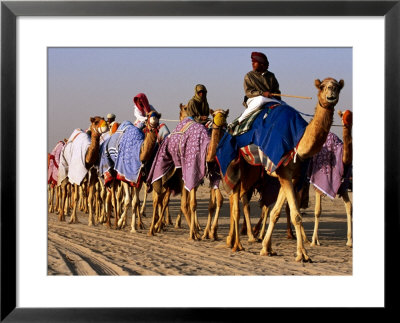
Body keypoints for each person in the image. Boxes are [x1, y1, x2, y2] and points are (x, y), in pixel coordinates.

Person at [238, 51, 281, 123]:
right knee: (261, 100)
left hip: (269, 99)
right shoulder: (249, 76)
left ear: (261, 64)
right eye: (252, 62)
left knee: (284, 105)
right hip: (253, 99)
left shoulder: (271, 76)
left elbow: (276, 91)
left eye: (255, 62)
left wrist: (275, 95)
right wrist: (262, 93)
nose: (252, 64)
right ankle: (240, 120)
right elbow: (248, 93)